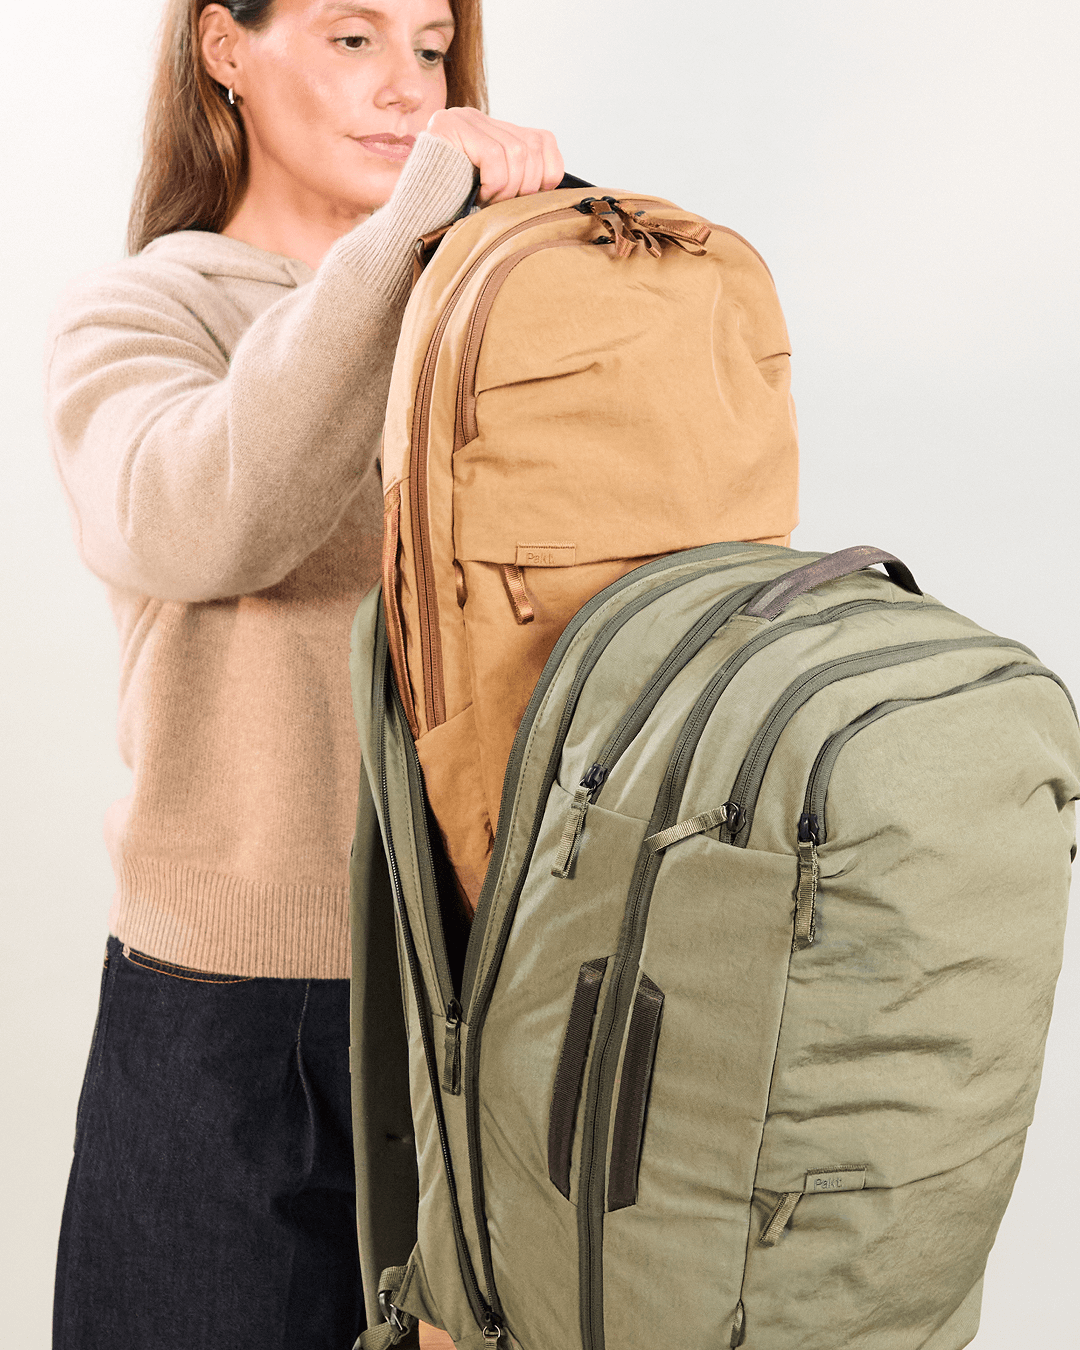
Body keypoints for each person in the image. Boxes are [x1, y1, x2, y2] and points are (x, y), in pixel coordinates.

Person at [46, 2, 562, 1347]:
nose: (407, 88)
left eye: (431, 48)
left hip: (483, 996)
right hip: (226, 1016)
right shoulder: (145, 309)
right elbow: (198, 519)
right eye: (351, 39)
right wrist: (404, 243)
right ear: (225, 48)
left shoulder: (485, 309)